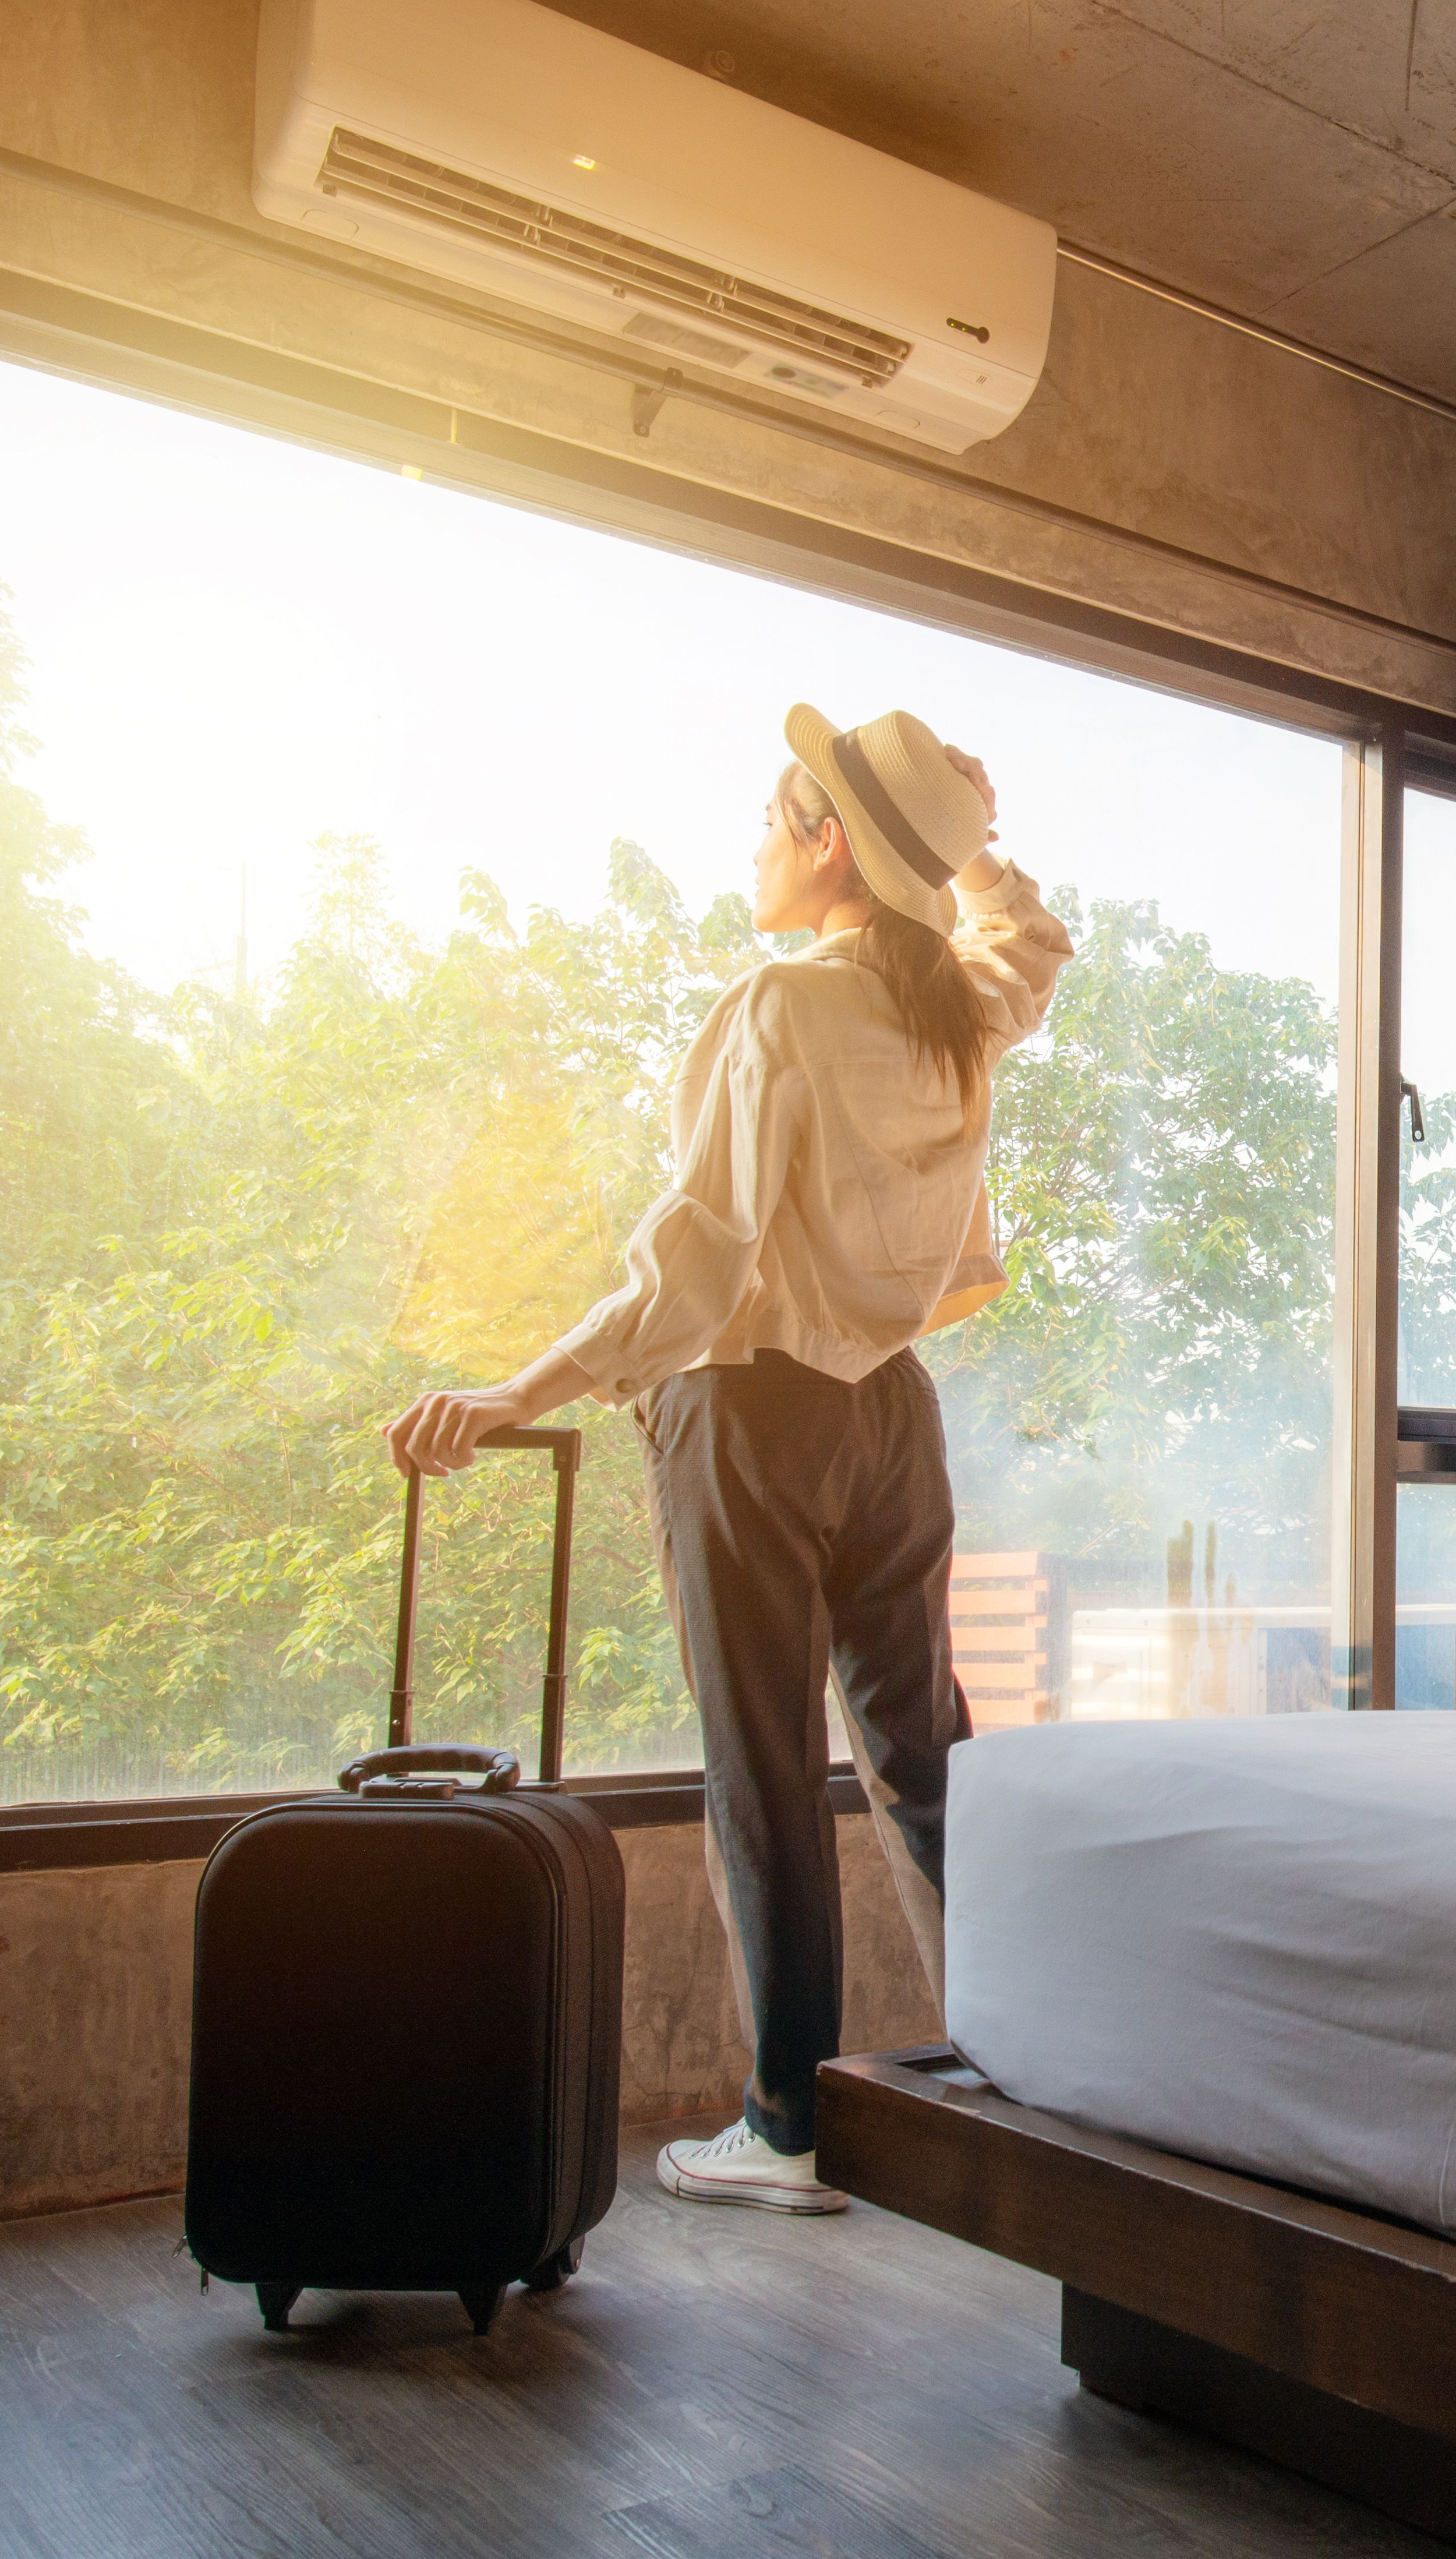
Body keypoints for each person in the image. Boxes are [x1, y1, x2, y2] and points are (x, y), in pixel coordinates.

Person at [387, 704, 1072, 2214]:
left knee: (765, 1772)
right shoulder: (959, 1007)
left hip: (753, 1415)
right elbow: (1034, 940)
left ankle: (788, 2128)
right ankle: (1036, 2084)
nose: (753, 851)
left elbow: (692, 1271)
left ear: (828, 845)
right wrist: (967, 841)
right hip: (897, 1420)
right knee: (924, 1763)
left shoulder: (781, 1008)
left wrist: (511, 1394)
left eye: (775, 824)